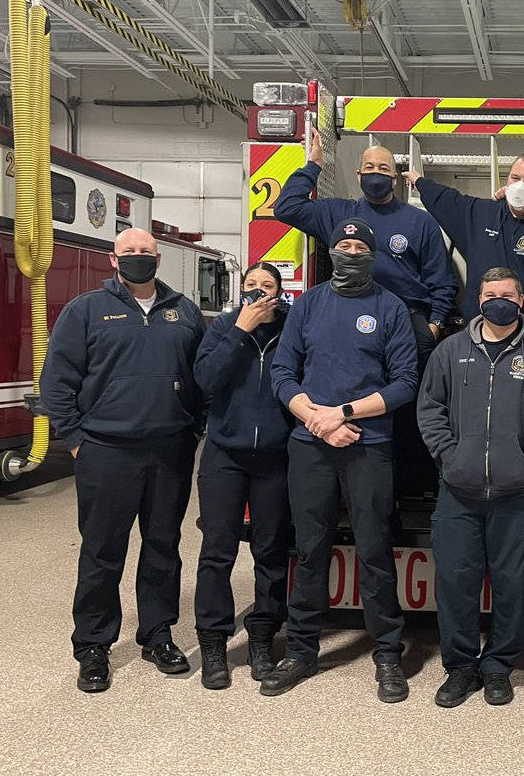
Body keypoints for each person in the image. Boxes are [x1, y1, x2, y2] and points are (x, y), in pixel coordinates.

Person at [40, 227, 206, 693]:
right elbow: (57, 382)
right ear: (113, 260)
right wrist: (76, 440)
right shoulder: (86, 311)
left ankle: (157, 635)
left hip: (170, 451)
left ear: (159, 259)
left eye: (146, 252)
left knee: (162, 548)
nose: (138, 257)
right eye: (128, 252)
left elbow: (203, 376)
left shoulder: (184, 312)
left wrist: (194, 426)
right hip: (106, 452)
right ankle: (93, 645)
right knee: (102, 552)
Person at [263, 217, 419, 701]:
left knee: (374, 550)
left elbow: (404, 383)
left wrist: (343, 413)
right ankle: (302, 650)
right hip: (310, 445)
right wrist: (316, 420)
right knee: (310, 550)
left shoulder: (389, 308)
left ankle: (388, 653)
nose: (349, 252)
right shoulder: (308, 304)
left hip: (368, 446)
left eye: (358, 246)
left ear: (371, 255)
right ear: (331, 252)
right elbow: (283, 372)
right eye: (342, 245)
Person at [417, 267, 524, 708]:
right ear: (478, 300)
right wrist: (450, 457)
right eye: (489, 294)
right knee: (455, 581)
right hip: (459, 490)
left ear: (520, 301)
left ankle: (499, 666)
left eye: (507, 294)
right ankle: (461, 666)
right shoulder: (449, 351)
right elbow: (429, 408)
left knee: (511, 582)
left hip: (520, 490)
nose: (498, 301)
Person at [275, 135, 458, 498]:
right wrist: (313, 165)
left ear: (396, 177)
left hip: (405, 318)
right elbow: (286, 208)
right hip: (343, 314)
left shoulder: (419, 222)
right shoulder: (337, 212)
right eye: (370, 168)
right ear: (359, 174)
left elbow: (442, 281)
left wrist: (434, 326)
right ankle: (330, 466)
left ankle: (405, 492)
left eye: (384, 169)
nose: (377, 174)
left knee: (407, 408)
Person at [191, 262, 295, 690]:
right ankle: (214, 642)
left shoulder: (292, 329)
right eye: (250, 285)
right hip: (224, 455)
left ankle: (262, 636)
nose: (257, 291)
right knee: (217, 551)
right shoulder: (223, 328)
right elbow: (205, 380)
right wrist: (240, 330)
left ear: (279, 293)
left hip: (276, 457)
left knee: (271, 552)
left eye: (266, 286)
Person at [405, 154, 524, 345]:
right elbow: (448, 200)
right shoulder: (480, 214)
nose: (520, 185)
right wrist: (419, 181)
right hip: (478, 338)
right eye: (515, 178)